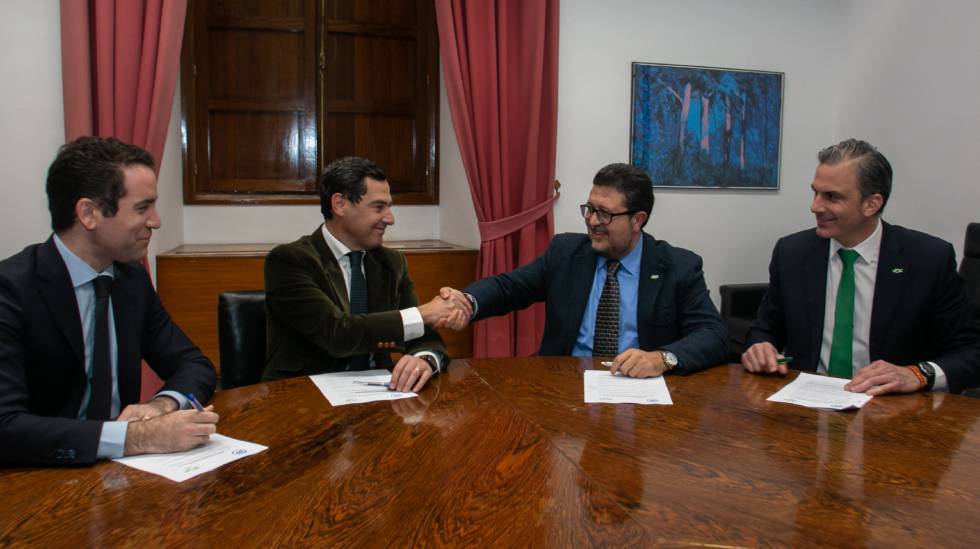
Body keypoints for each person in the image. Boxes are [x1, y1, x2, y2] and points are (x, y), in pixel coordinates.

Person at [0, 137, 218, 466]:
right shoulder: (11, 290)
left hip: (116, 477)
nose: (156, 221)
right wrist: (139, 437)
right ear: (88, 213)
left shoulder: (131, 281)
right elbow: (7, 426)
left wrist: (161, 406)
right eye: (143, 207)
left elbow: (194, 365)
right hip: (35, 481)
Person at [440, 163, 730, 377]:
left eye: (603, 213)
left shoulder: (677, 266)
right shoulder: (567, 253)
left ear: (638, 220)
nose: (591, 221)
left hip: (641, 395)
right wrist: (467, 302)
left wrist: (663, 358)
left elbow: (714, 335)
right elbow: (509, 287)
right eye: (589, 209)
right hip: (565, 385)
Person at [742, 138, 980, 394]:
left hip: (893, 409)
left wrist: (917, 374)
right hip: (806, 405)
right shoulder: (792, 253)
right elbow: (765, 329)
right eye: (815, 192)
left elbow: (970, 351)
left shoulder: (927, 259)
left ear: (871, 204)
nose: (815, 206)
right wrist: (760, 348)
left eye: (831, 197)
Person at [262, 157, 467, 391]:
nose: (390, 218)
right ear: (339, 204)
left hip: (378, 394)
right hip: (301, 397)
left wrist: (425, 359)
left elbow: (425, 337)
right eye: (379, 207)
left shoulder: (391, 262)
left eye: (389, 207)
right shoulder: (289, 261)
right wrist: (422, 313)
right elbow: (337, 335)